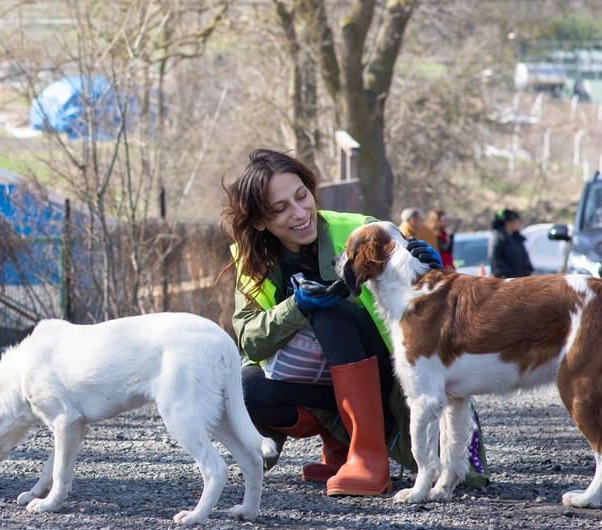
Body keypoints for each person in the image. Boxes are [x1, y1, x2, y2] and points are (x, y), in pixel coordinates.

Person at [221, 149, 441, 497]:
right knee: (244, 386)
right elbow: (250, 341)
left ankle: (369, 457)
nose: (299, 213)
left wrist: (434, 276)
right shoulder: (253, 260)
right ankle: (342, 446)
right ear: (260, 222)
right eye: (280, 209)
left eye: (301, 196)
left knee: (330, 309)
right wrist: (295, 306)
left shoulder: (363, 231)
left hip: (393, 382)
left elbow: (434, 321)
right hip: (326, 383)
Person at [488, 208, 533, 278]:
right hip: (507, 282)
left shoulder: (517, 238)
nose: (519, 223)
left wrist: (528, 272)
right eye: (517, 220)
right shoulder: (498, 238)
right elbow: (496, 262)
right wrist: (506, 276)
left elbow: (525, 260)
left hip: (522, 280)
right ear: (508, 222)